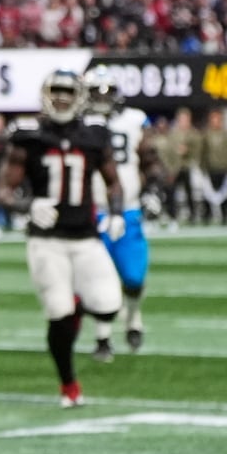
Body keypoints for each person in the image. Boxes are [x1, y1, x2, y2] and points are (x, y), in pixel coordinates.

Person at [0, 68, 123, 409]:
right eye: (57, 92)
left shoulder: (95, 135)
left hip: (86, 237)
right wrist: (28, 204)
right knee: (58, 313)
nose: (63, 99)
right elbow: (4, 191)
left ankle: (78, 306)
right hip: (46, 239)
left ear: (80, 96)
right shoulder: (29, 136)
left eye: (69, 92)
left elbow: (113, 181)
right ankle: (69, 385)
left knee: (110, 306)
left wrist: (116, 213)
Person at [82, 65, 151, 360]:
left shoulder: (134, 120)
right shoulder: (78, 124)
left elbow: (149, 159)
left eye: (107, 91)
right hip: (93, 211)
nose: (101, 98)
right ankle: (103, 338)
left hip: (130, 211)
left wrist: (152, 192)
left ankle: (133, 318)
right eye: (95, 92)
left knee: (133, 278)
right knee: (99, 279)